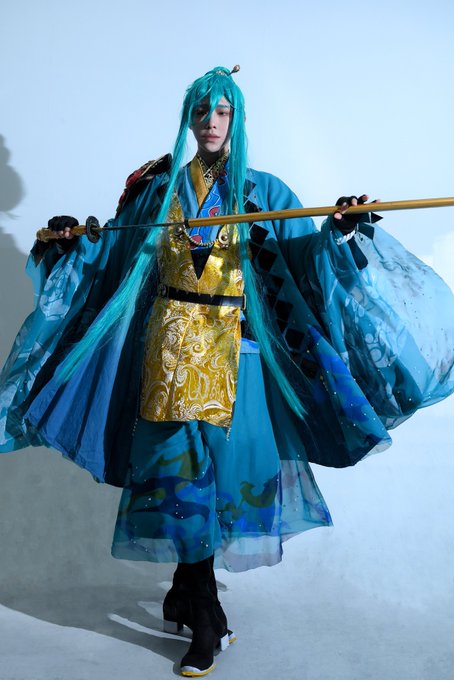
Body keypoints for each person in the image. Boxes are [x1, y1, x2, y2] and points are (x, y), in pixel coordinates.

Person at [1, 66, 454, 677]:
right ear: (188, 119)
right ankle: (206, 614)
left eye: (222, 112)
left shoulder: (264, 192)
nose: (211, 123)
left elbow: (301, 260)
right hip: (168, 351)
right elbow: (113, 254)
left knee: (220, 479)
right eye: (201, 111)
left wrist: (337, 229)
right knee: (179, 479)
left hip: (238, 354)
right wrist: (70, 238)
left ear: (236, 119)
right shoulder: (158, 190)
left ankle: (189, 596)